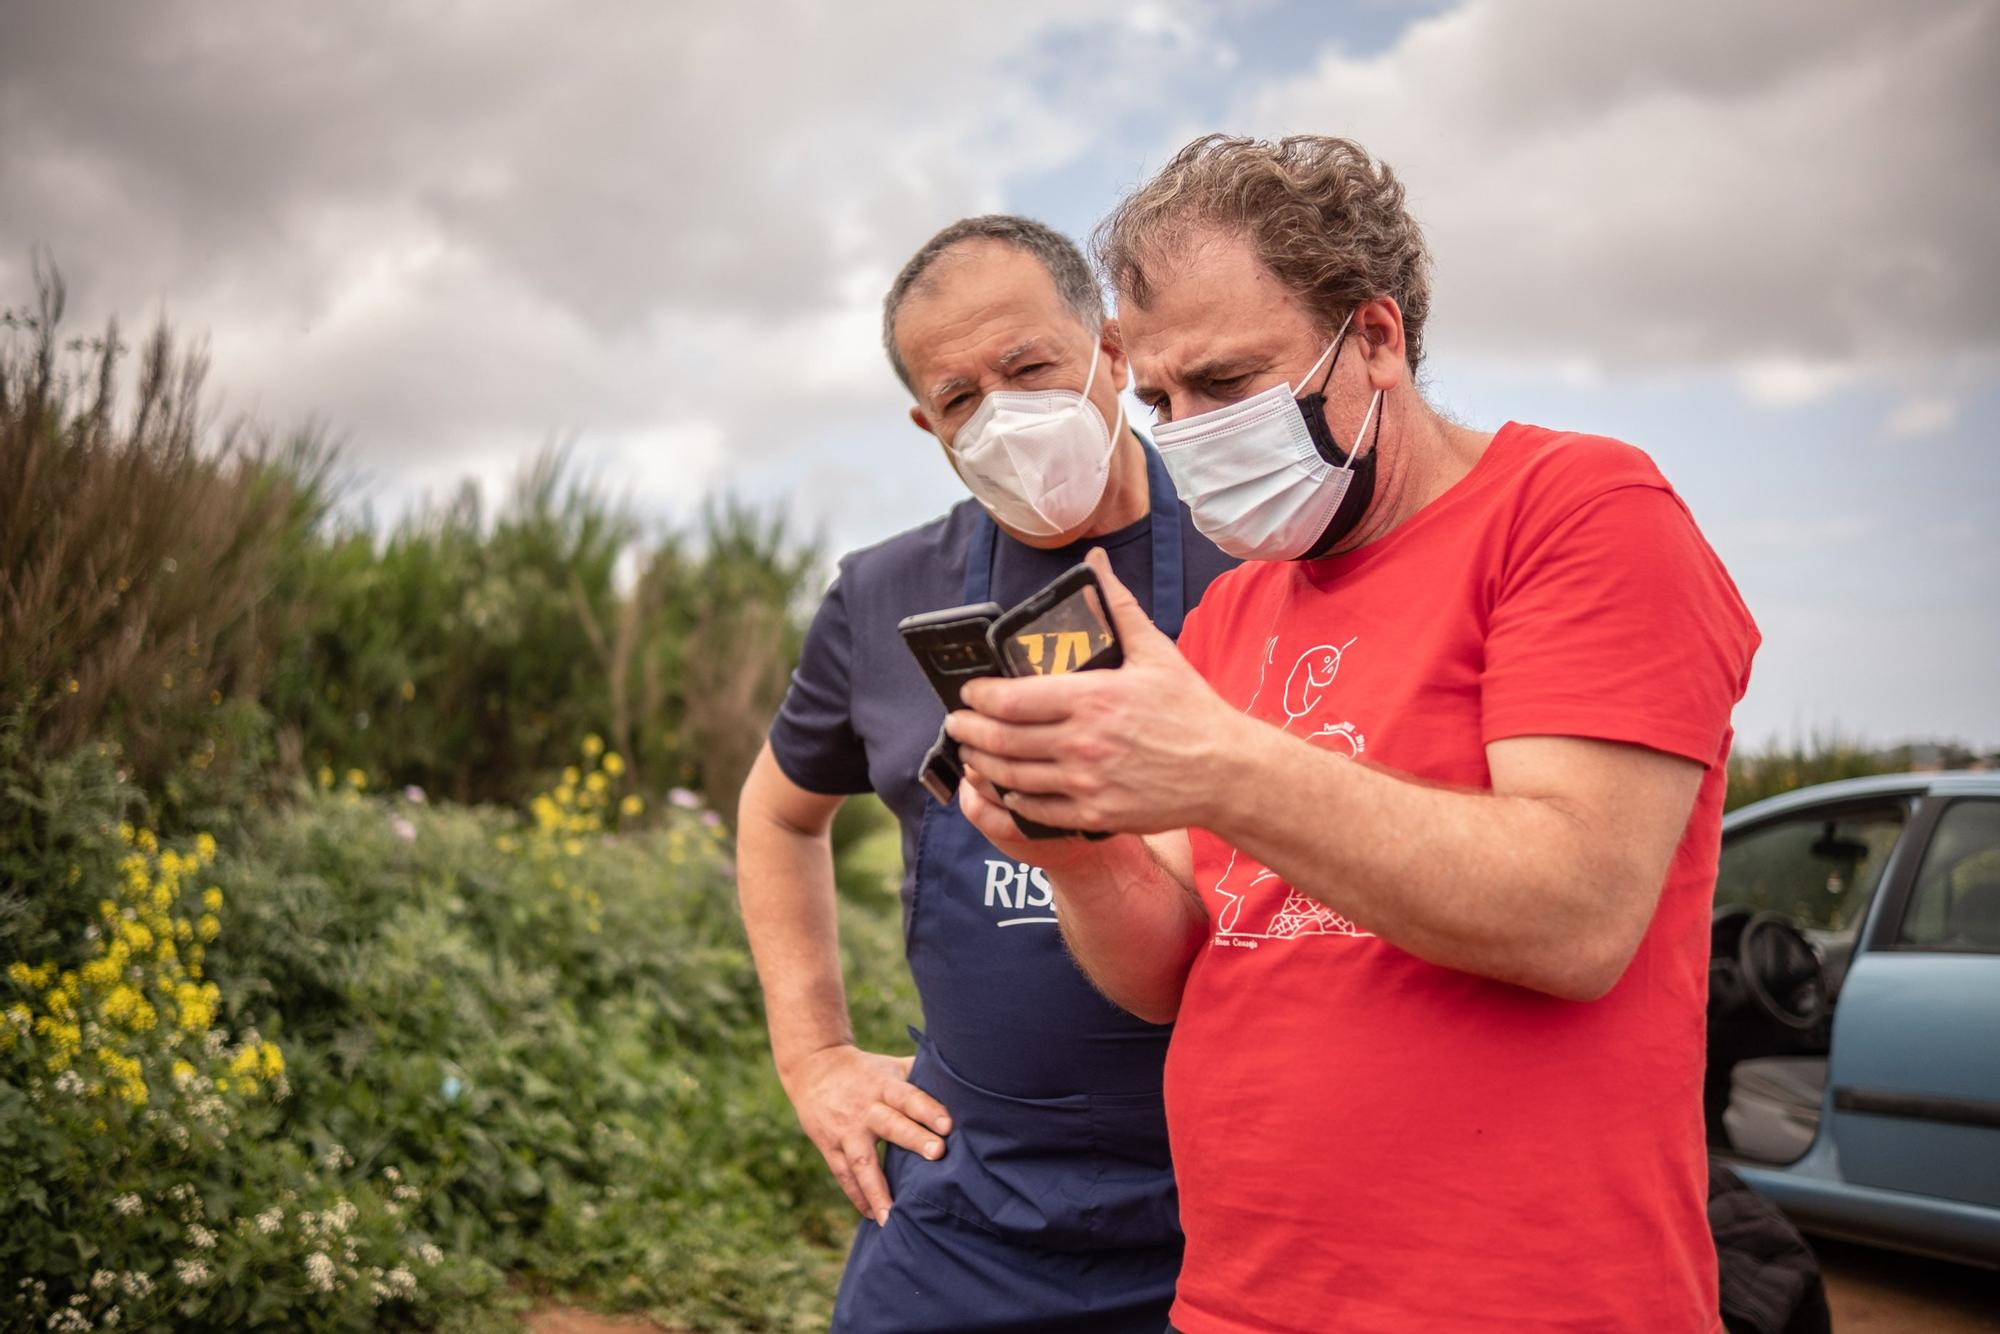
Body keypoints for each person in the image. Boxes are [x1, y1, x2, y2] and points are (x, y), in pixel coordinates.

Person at [947, 135, 1761, 1332]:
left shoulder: (1580, 512)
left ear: (1373, 339)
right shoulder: (1234, 607)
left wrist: (1222, 764)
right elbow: (1165, 969)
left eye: (1226, 384)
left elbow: (1574, 912)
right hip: (1243, 1296)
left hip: (1526, 1300)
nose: (1186, 430)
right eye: (1162, 399)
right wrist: (1073, 845)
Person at [736, 214, 1236, 1333]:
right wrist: (812, 1054)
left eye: (1027, 366)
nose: (1001, 412)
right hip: (969, 1201)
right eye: (960, 397)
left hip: (1233, 1206)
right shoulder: (882, 594)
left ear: (1109, 351)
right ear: (927, 423)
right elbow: (776, 813)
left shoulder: (1253, 555)